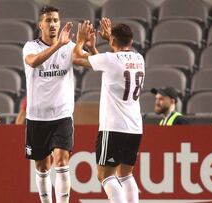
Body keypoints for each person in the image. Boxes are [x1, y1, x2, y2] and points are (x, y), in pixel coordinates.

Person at [22, 6, 94, 203]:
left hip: (62, 115)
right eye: (48, 20)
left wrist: (89, 46)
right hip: (37, 117)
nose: (53, 24)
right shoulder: (31, 46)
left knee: (62, 161)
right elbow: (34, 62)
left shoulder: (69, 47)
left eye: (55, 20)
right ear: (40, 25)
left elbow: (94, 62)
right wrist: (58, 45)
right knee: (42, 167)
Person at [73, 18, 145, 203]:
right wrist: (98, 47)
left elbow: (75, 58)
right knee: (126, 174)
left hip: (114, 127)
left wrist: (81, 41)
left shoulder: (110, 59)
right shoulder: (139, 58)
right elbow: (109, 66)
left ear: (112, 41)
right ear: (131, 40)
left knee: (105, 175)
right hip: (135, 127)